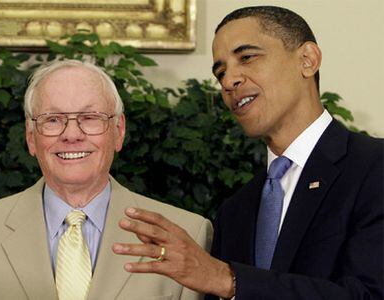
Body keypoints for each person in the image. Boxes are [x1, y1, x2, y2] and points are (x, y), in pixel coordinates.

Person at [112, 6, 384, 299]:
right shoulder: (235, 212)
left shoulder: (374, 167)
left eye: (247, 57)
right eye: (221, 72)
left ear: (307, 60)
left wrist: (227, 279)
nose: (229, 81)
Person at [0, 59, 213, 300]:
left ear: (119, 131)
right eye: (53, 119)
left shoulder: (187, 233)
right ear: (31, 137)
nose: (72, 135)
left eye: (90, 117)